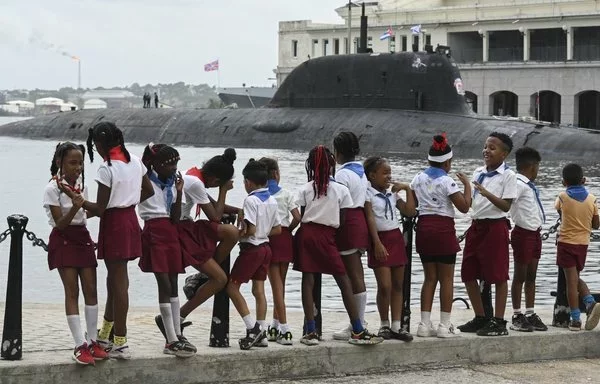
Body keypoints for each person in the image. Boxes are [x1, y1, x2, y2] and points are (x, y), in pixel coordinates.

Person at [79, 121, 154, 359]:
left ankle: (121, 341)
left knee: (119, 283)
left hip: (114, 223)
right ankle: (107, 333)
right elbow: (149, 191)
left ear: (99, 144)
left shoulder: (106, 167)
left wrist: (78, 203)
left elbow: (100, 208)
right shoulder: (133, 159)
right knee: (115, 280)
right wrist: (128, 198)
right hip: (130, 219)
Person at [294, 145, 383, 346]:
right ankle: (357, 330)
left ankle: (310, 331)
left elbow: (302, 213)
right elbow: (342, 219)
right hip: (328, 236)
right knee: (344, 281)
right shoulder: (341, 190)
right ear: (333, 165)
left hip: (307, 233)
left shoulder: (306, 189)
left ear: (310, 166)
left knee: (308, 282)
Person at [160, 149, 239, 339]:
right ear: (214, 180)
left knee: (231, 232)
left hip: (188, 227)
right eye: (218, 184)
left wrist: (240, 210)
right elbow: (216, 216)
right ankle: (179, 316)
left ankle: (203, 276)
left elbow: (212, 206)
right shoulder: (196, 183)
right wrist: (223, 191)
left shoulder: (193, 175)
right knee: (220, 280)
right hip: (183, 231)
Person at [44, 142, 108, 365]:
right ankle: (79, 344)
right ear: (60, 162)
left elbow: (85, 215)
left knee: (91, 289)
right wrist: (74, 205)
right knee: (72, 292)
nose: (77, 167)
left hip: (82, 237)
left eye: (80, 162)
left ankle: (93, 341)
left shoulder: (80, 186)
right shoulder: (52, 189)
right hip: (63, 239)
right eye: (72, 163)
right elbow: (60, 224)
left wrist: (84, 207)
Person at [410, 134, 472, 338]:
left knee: (429, 278)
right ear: (447, 162)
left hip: (424, 228)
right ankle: (444, 325)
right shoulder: (447, 181)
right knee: (446, 279)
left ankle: (423, 324)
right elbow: (464, 207)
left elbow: (412, 206)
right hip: (443, 229)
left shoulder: (417, 179)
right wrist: (468, 185)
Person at [138, 143, 195, 357]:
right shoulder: (145, 182)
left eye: (176, 164)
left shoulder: (172, 184)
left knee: (173, 283)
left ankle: (177, 335)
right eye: (170, 164)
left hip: (170, 231)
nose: (174, 168)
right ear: (156, 164)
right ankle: (170, 339)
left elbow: (174, 216)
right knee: (163, 282)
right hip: (154, 230)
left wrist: (179, 193)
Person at [457, 132, 516, 337]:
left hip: (496, 227)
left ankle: (498, 321)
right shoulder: (478, 172)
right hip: (477, 226)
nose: (486, 151)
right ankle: (480, 316)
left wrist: (487, 193)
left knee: (498, 275)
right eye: (485, 146)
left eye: (492, 148)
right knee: (469, 272)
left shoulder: (508, 176)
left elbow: (506, 205)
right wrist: (466, 186)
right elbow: (473, 202)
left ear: (504, 154)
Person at [226, 160, 281, 350]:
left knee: (232, 288)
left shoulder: (251, 200)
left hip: (252, 249)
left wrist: (237, 230)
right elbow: (278, 229)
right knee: (259, 291)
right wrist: (262, 233)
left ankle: (252, 328)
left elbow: (250, 229)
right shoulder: (272, 200)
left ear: (248, 182)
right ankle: (262, 332)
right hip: (266, 248)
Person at [363, 156, 416, 342]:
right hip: (380, 239)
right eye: (384, 173)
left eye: (390, 173)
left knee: (397, 285)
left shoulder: (392, 194)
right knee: (384, 286)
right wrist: (376, 243)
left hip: (395, 238)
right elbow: (370, 219)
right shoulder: (368, 194)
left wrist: (407, 189)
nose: (388, 176)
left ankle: (396, 325)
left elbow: (410, 211)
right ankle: (384, 324)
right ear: (372, 175)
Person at [258, 157, 301, 346]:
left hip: (271, 238)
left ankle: (284, 329)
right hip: (285, 238)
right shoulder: (287, 194)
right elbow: (297, 217)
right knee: (280, 286)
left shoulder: (263, 195)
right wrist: (289, 230)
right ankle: (275, 326)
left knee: (275, 288)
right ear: (276, 173)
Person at [332, 132, 370, 340]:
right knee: (357, 274)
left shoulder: (342, 175)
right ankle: (358, 320)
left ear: (337, 152)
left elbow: (339, 202)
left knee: (351, 275)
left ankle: (358, 322)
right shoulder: (361, 172)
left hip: (347, 222)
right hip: (359, 221)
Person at [555, 163, 600, 331]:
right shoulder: (592, 198)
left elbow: (560, 213)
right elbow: (596, 224)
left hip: (566, 243)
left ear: (563, 182)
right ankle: (589, 303)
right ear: (584, 180)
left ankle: (575, 319)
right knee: (574, 278)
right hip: (583, 245)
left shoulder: (562, 197)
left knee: (571, 283)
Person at [509, 147, 547, 332]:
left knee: (532, 275)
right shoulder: (517, 184)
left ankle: (530, 312)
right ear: (532, 166)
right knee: (520, 275)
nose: (538, 171)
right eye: (538, 167)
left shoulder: (529, 185)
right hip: (522, 233)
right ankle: (517, 314)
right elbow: (506, 202)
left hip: (535, 233)